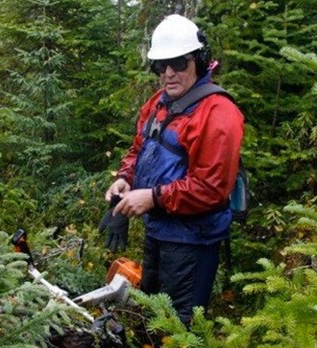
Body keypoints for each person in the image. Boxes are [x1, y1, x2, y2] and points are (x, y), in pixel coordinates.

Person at [103, 14, 244, 325]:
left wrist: (153, 198)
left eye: (178, 63)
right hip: (158, 232)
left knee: (181, 326)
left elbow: (211, 188)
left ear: (200, 60)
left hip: (193, 242)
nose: (168, 73)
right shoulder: (158, 103)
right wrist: (125, 179)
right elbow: (139, 150)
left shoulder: (218, 113)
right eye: (160, 65)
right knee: (152, 315)